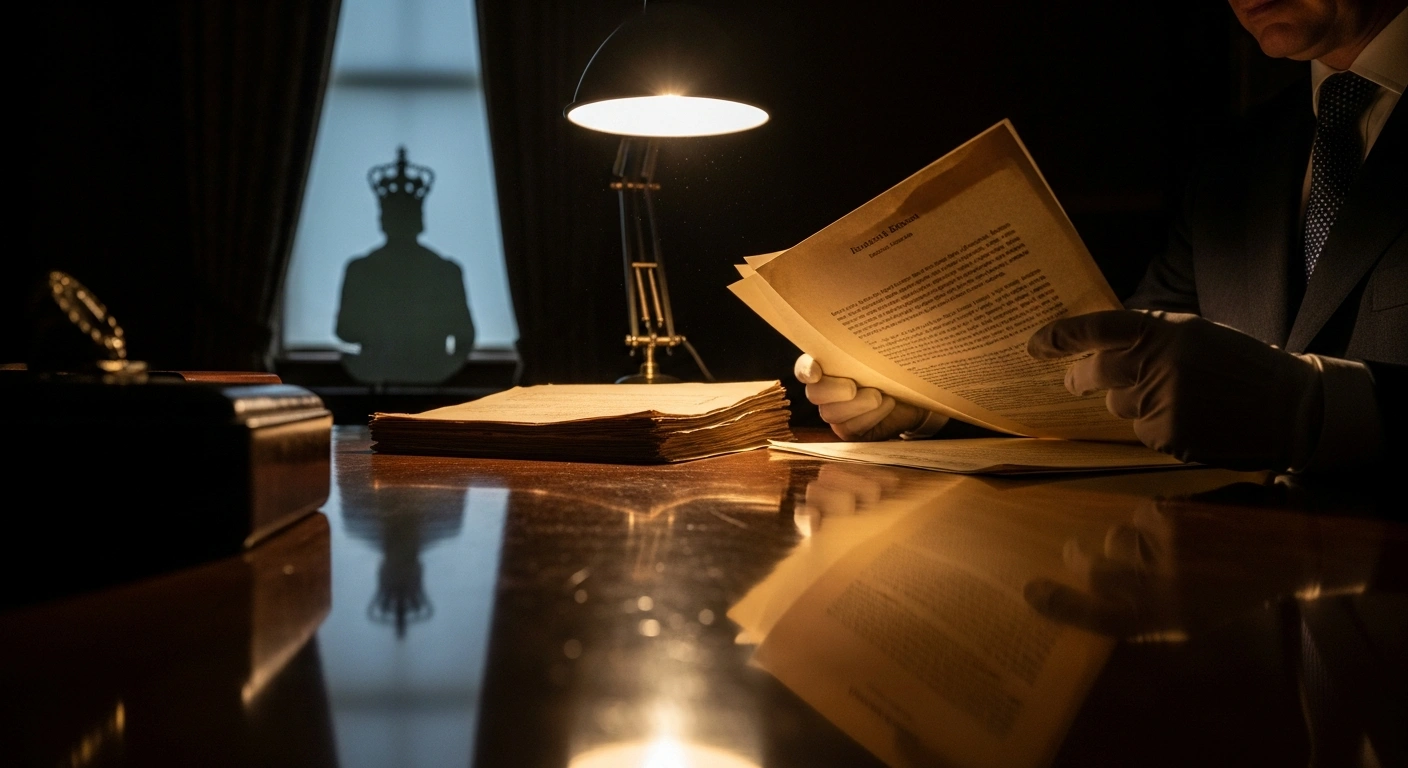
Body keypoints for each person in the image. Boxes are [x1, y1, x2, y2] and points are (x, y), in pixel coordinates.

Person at [798, 0, 1406, 472]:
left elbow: (1273, 396)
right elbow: (1126, 369)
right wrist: (931, 400)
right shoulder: (1239, 155)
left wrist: (1319, 406)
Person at [337, 147, 477, 385]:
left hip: (375, 370)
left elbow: (346, 331)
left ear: (382, 220)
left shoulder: (360, 269)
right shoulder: (445, 270)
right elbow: (465, 335)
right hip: (432, 372)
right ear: (420, 220)